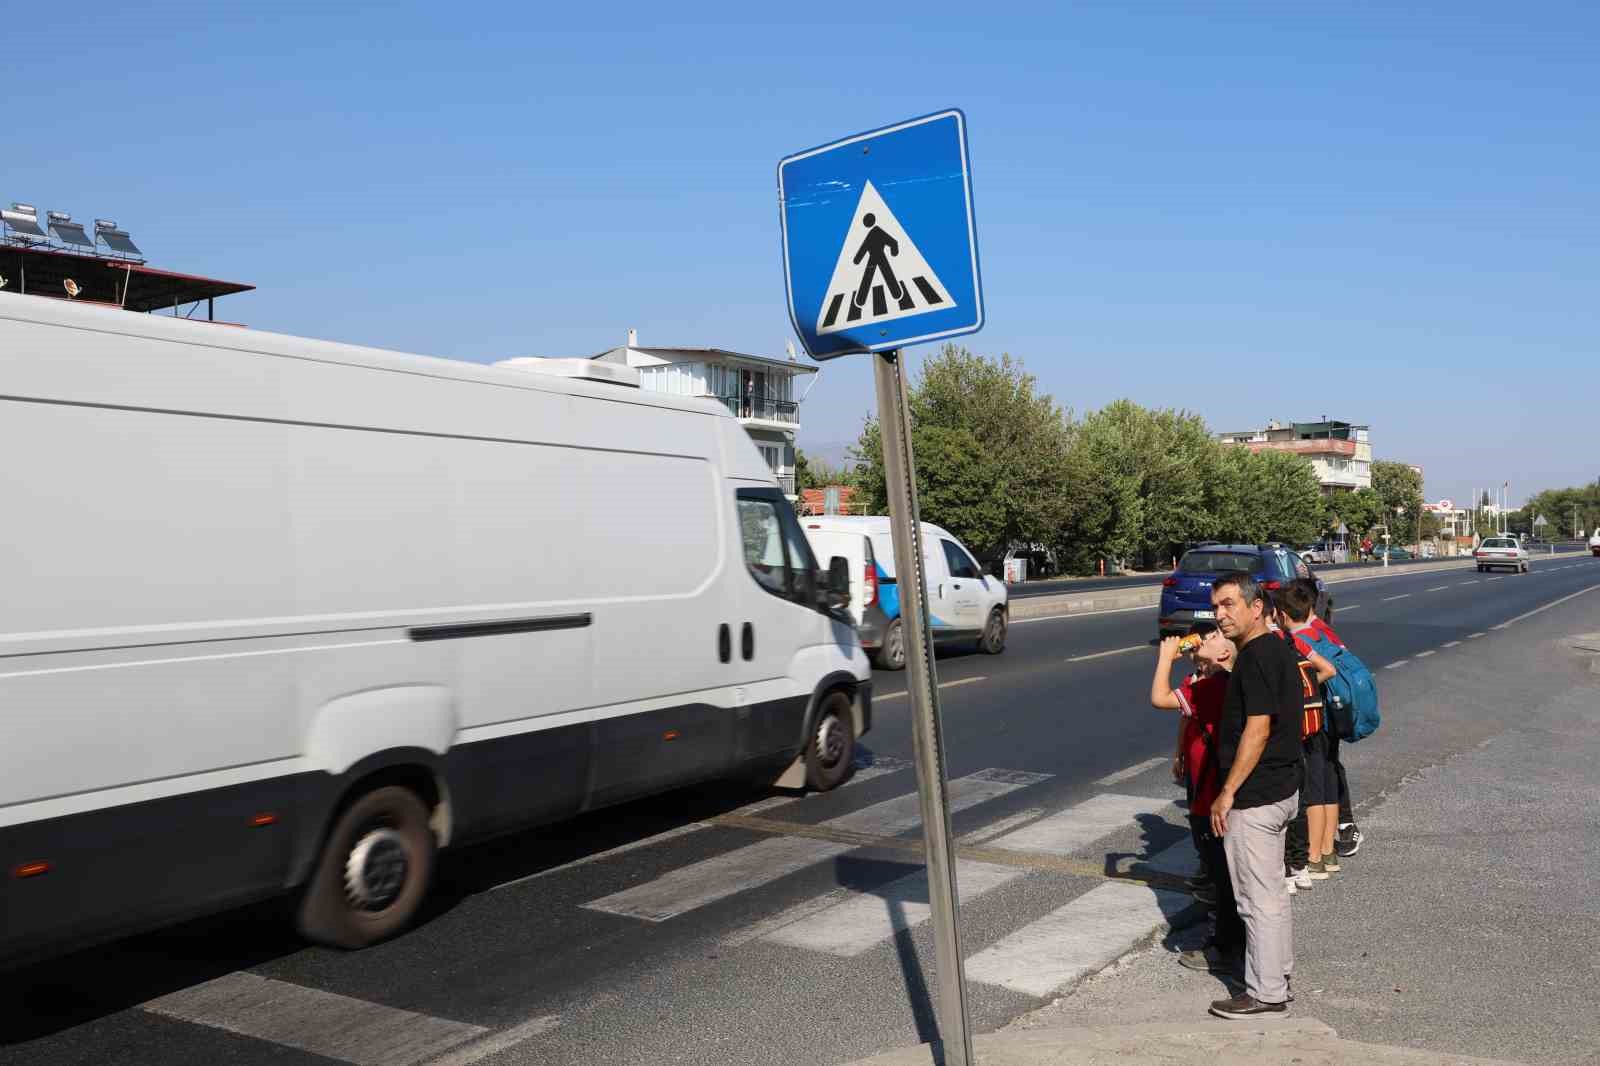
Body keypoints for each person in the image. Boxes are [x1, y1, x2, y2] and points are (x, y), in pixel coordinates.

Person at [1206, 572, 1302, 1019]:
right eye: (1216, 607)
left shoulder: (1256, 657)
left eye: (1228, 605)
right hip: (1282, 788)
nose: (1220, 615)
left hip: (1257, 797)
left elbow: (1258, 729)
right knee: (1273, 896)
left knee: (1255, 900)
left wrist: (1227, 793)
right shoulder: (1276, 649)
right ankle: (1277, 977)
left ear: (1256, 607)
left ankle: (1265, 992)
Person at [1149, 624, 1245, 977]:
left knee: (1223, 879)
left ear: (1223, 655)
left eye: (1216, 637)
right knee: (1226, 876)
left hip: (1211, 795)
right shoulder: (1220, 681)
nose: (1208, 638)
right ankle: (1229, 942)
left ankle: (1224, 947)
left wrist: (1164, 657)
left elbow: (1159, 698)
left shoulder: (1214, 686)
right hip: (1212, 788)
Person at [1292, 578, 1364, 858]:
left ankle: (1319, 849)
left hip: (1320, 714)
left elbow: (1327, 671)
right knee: (1329, 767)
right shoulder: (1325, 631)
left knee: (1321, 773)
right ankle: (1329, 845)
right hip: (1334, 710)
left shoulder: (1307, 634)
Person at [1276, 583, 1339, 884]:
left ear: (1281, 614)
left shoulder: (1292, 640)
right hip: (1324, 718)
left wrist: (1298, 696)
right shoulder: (1319, 632)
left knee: (1311, 790)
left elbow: (1324, 670)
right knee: (1326, 782)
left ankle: (1312, 858)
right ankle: (1327, 853)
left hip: (1305, 724)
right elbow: (1328, 669)